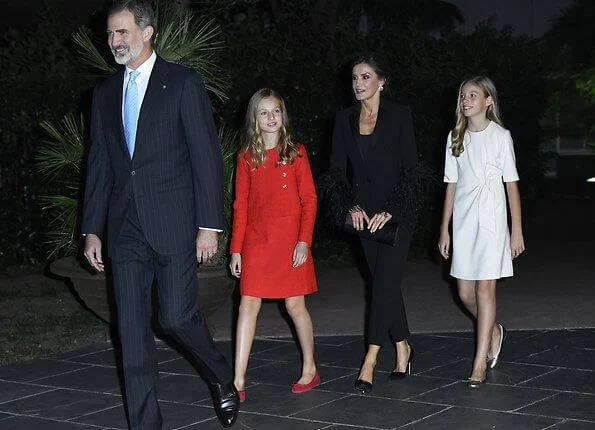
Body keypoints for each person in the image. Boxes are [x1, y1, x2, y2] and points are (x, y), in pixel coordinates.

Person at [81, 1, 239, 428]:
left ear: (147, 33)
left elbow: (206, 159)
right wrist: (92, 229)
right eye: (111, 34)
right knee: (131, 335)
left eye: (122, 33)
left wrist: (209, 225)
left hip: (173, 222)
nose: (114, 42)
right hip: (124, 228)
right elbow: (98, 163)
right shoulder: (105, 94)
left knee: (175, 317)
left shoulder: (183, 83)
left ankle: (221, 375)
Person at [326, 54, 425, 394]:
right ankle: (403, 346)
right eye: (355, 77)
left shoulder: (399, 115)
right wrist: (350, 205)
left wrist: (394, 209)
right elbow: (337, 171)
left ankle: (370, 357)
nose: (358, 82)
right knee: (385, 284)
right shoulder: (344, 119)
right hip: (364, 216)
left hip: (396, 214)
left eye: (366, 76)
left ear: (382, 81)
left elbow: (411, 171)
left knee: (382, 284)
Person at [229, 88, 319, 402]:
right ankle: (237, 379)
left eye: (276, 111)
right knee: (247, 305)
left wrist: (304, 242)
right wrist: (236, 249)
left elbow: (309, 200)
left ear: (283, 116)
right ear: (255, 118)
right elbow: (240, 206)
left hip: (290, 241)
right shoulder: (245, 157)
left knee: (295, 306)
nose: (271, 117)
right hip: (256, 242)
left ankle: (310, 368)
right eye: (264, 112)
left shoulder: (296, 152)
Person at [438, 76, 525, 388]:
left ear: (488, 100)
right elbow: (451, 184)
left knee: (485, 290)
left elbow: (511, 185)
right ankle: (494, 330)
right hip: (463, 221)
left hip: (492, 220)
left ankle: (479, 362)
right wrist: (444, 228)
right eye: (463, 95)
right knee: (464, 293)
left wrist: (516, 230)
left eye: (473, 94)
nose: (466, 99)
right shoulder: (455, 137)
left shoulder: (501, 136)